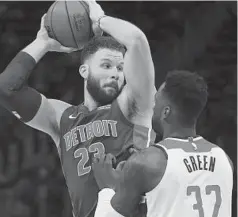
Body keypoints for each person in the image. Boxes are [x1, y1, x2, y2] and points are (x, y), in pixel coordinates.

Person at [0, 1, 156, 217]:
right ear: (84, 70)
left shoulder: (133, 106)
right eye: (106, 65)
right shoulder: (62, 118)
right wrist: (43, 43)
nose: (115, 74)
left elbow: (137, 41)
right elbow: (7, 88)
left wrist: (99, 19)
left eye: (120, 68)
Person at [92, 70, 234, 217]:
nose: (153, 107)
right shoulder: (224, 159)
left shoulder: (148, 162)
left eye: (156, 101)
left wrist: (108, 188)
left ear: (166, 112)